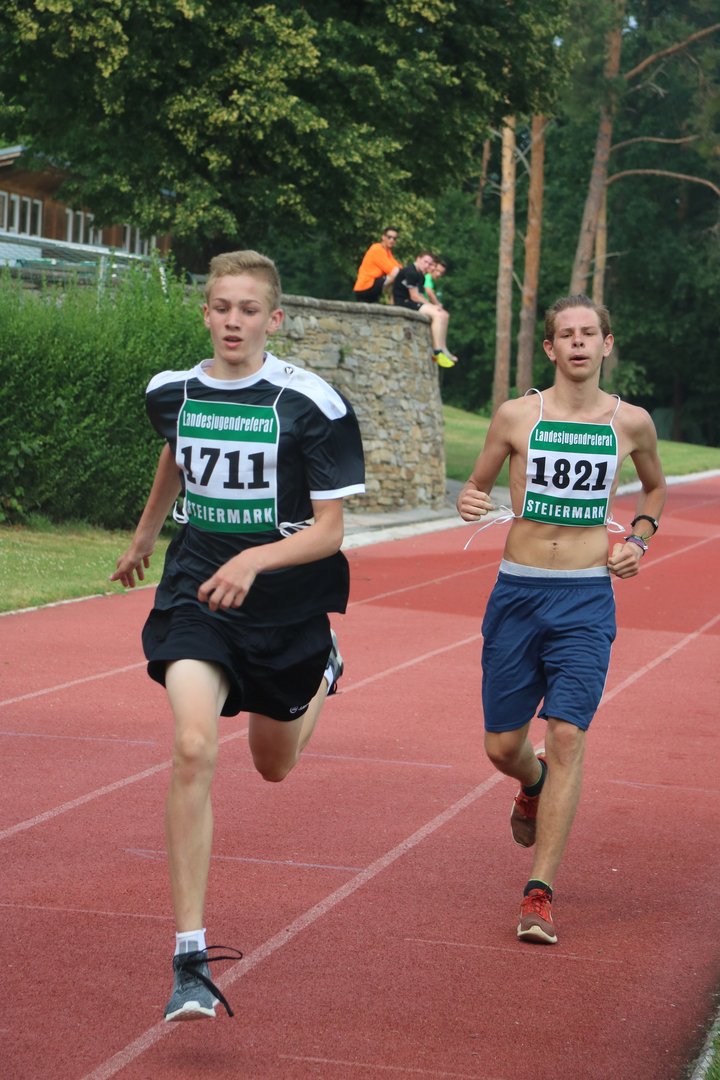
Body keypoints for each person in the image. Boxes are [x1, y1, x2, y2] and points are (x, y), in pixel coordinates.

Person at [111, 249, 365, 1020]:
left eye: (248, 309)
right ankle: (189, 958)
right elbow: (176, 453)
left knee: (273, 765)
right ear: (205, 313)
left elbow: (329, 531)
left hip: (285, 604)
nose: (233, 320)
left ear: (273, 320)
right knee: (194, 745)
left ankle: (321, 672)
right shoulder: (172, 391)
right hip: (197, 592)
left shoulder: (311, 403)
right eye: (221, 306)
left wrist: (255, 559)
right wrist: (146, 534)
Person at [457, 294, 666, 946]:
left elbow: (655, 488)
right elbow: (477, 485)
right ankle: (532, 781)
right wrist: (470, 498)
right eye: (566, 334)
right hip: (518, 593)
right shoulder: (517, 415)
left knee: (568, 734)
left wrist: (639, 540)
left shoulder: (631, 423)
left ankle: (539, 891)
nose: (578, 343)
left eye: (589, 333)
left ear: (607, 344)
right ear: (549, 348)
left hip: (585, 598)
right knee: (502, 747)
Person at [392, 251, 458, 368]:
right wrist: (432, 306)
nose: (427, 265)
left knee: (444, 315)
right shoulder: (410, 272)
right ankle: (437, 352)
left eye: (430, 263)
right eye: (425, 262)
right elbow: (414, 296)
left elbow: (420, 295)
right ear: (418, 259)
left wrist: (433, 306)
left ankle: (443, 348)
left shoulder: (420, 275)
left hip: (411, 301)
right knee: (437, 315)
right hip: (403, 302)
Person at [352, 227, 402, 303]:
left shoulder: (387, 252)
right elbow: (391, 269)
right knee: (396, 272)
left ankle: (395, 302)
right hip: (365, 287)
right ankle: (394, 302)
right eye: (389, 237)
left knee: (399, 275)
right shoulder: (377, 249)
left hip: (373, 286)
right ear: (383, 237)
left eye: (394, 239)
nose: (392, 240)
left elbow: (397, 265)